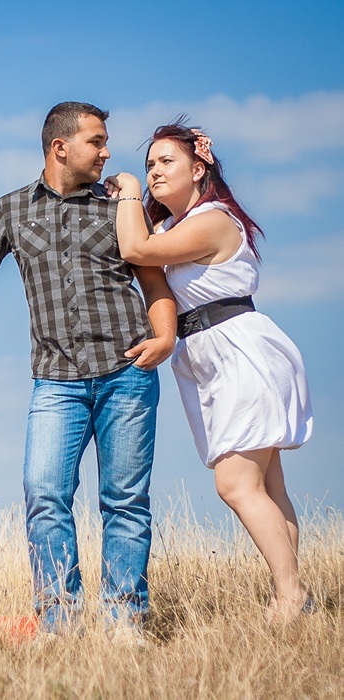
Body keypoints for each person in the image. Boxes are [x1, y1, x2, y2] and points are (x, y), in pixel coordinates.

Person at [0, 102, 176, 637]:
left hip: (128, 372)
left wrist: (166, 338)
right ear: (60, 147)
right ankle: (60, 621)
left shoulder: (121, 206)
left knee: (125, 500)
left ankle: (124, 620)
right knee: (43, 493)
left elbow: (154, 282)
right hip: (55, 381)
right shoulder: (11, 210)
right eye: (97, 141)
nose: (107, 152)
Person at [105, 118, 314, 623]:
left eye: (165, 161)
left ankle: (292, 597)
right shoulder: (175, 227)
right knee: (268, 488)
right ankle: (294, 596)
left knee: (236, 485)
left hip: (240, 350)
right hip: (210, 356)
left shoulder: (214, 219)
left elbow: (136, 250)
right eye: (149, 164)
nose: (153, 171)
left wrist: (129, 191)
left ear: (199, 168)